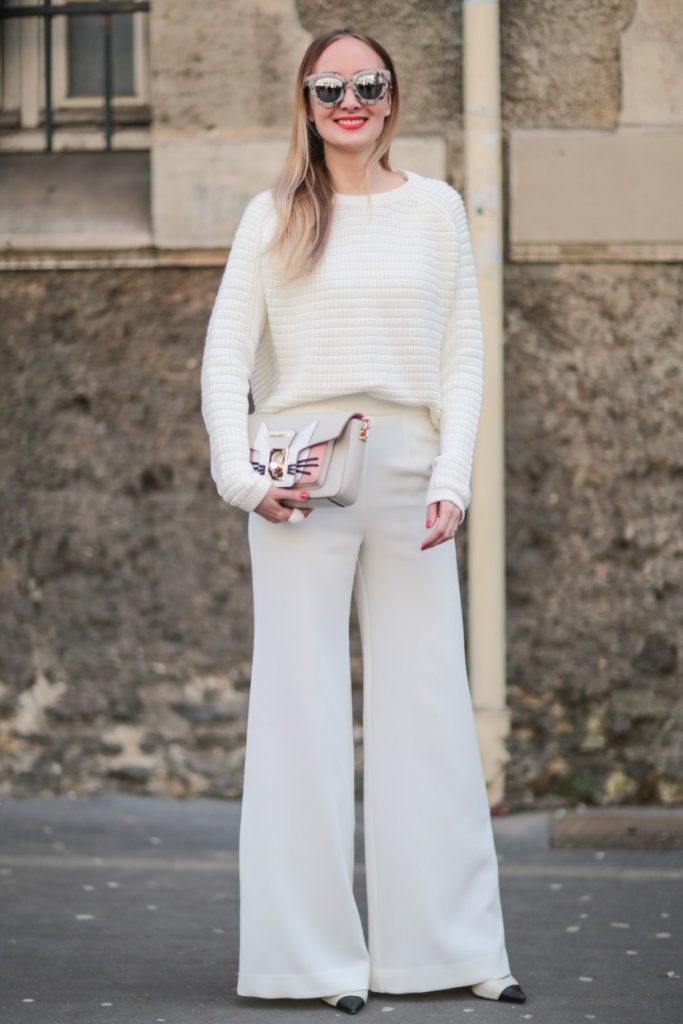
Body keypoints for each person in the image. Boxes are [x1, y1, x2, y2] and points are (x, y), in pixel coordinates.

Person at [200, 26, 526, 1017]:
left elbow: (460, 359)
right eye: (329, 86)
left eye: (367, 84)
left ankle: (447, 947)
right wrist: (240, 479)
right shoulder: (271, 216)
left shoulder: (432, 210)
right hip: (299, 474)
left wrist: (454, 481)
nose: (350, 100)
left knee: (426, 708)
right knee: (295, 712)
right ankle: (306, 962)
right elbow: (223, 360)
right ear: (306, 103)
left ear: (391, 98)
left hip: (408, 472)